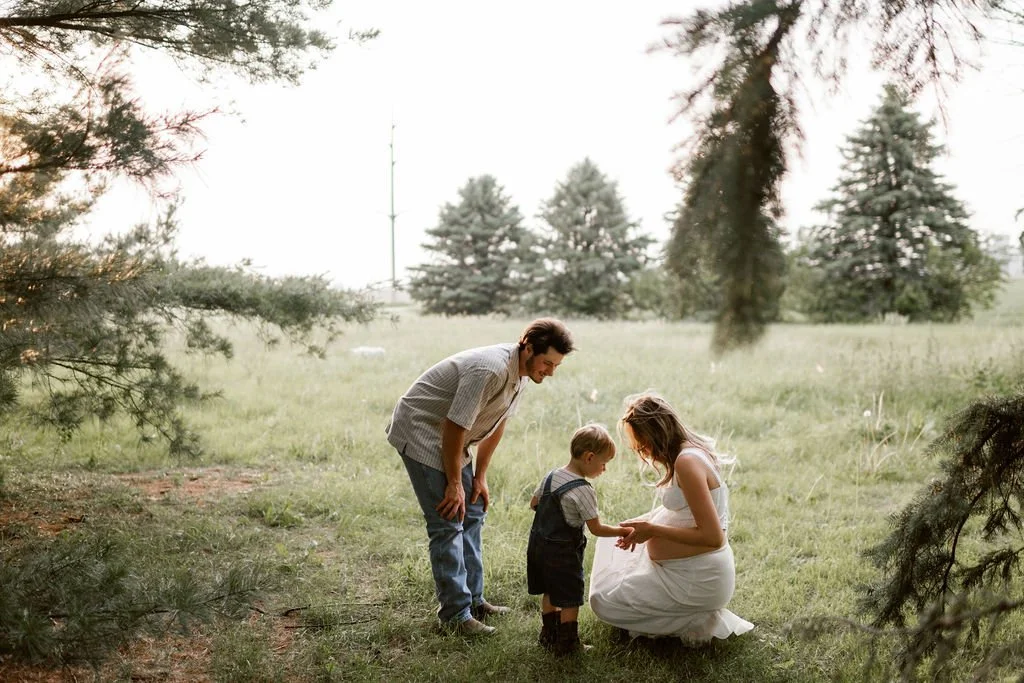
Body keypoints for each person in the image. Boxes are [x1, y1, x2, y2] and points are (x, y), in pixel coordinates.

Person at [386, 318, 574, 636]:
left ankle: (474, 601)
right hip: (423, 431)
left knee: (473, 510)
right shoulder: (490, 369)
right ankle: (455, 616)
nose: (551, 371)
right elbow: (455, 426)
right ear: (528, 347)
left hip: (452, 437)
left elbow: (495, 425)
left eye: (556, 365)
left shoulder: (523, 375)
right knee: (448, 520)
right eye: (547, 363)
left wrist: (480, 476)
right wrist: (455, 483)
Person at [588, 392, 754, 645]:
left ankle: (697, 621)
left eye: (643, 446)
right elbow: (685, 512)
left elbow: (713, 536)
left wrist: (654, 529)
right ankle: (689, 616)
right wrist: (638, 525)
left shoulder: (687, 462)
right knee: (610, 550)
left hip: (697, 578)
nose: (645, 454)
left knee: (603, 602)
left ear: (657, 435)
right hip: (686, 571)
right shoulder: (689, 453)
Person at [527, 424, 629, 655]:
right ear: (589, 457)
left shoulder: (551, 475)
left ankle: (549, 635)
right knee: (570, 597)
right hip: (562, 553)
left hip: (538, 546)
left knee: (550, 591)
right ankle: (568, 644)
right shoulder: (583, 490)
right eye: (604, 463)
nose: (604, 469)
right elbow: (597, 529)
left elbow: (534, 503)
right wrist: (622, 531)